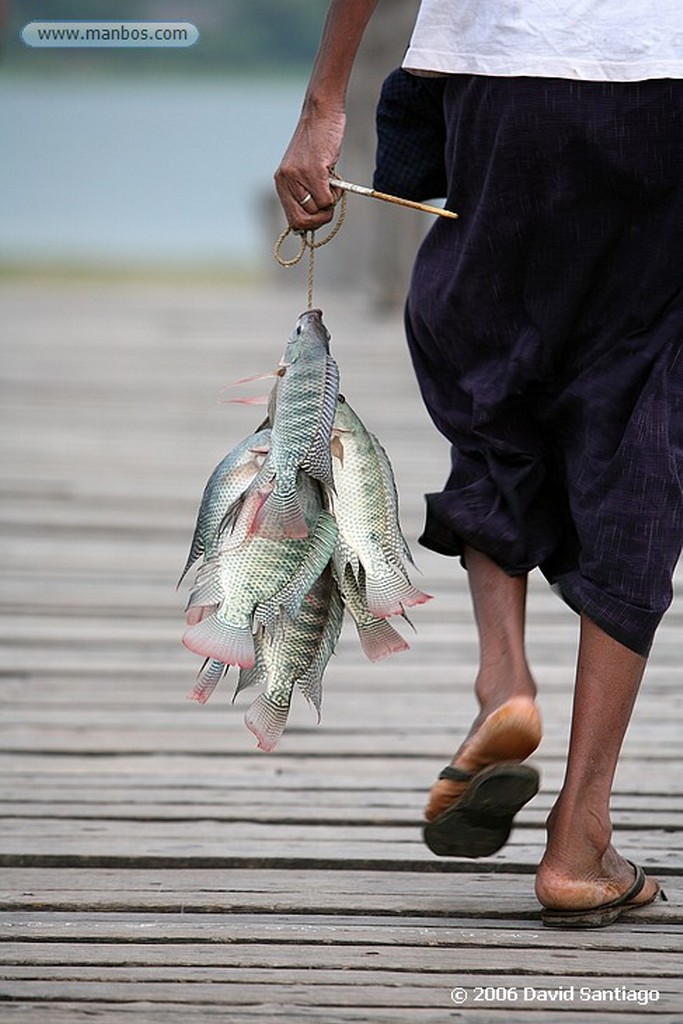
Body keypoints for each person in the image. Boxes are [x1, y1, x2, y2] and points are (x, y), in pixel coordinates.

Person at [274, 0, 682, 928]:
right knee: (645, 412)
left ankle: (504, 681)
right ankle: (579, 843)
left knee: (493, 358)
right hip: (667, 83)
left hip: (503, 74)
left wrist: (323, 99)